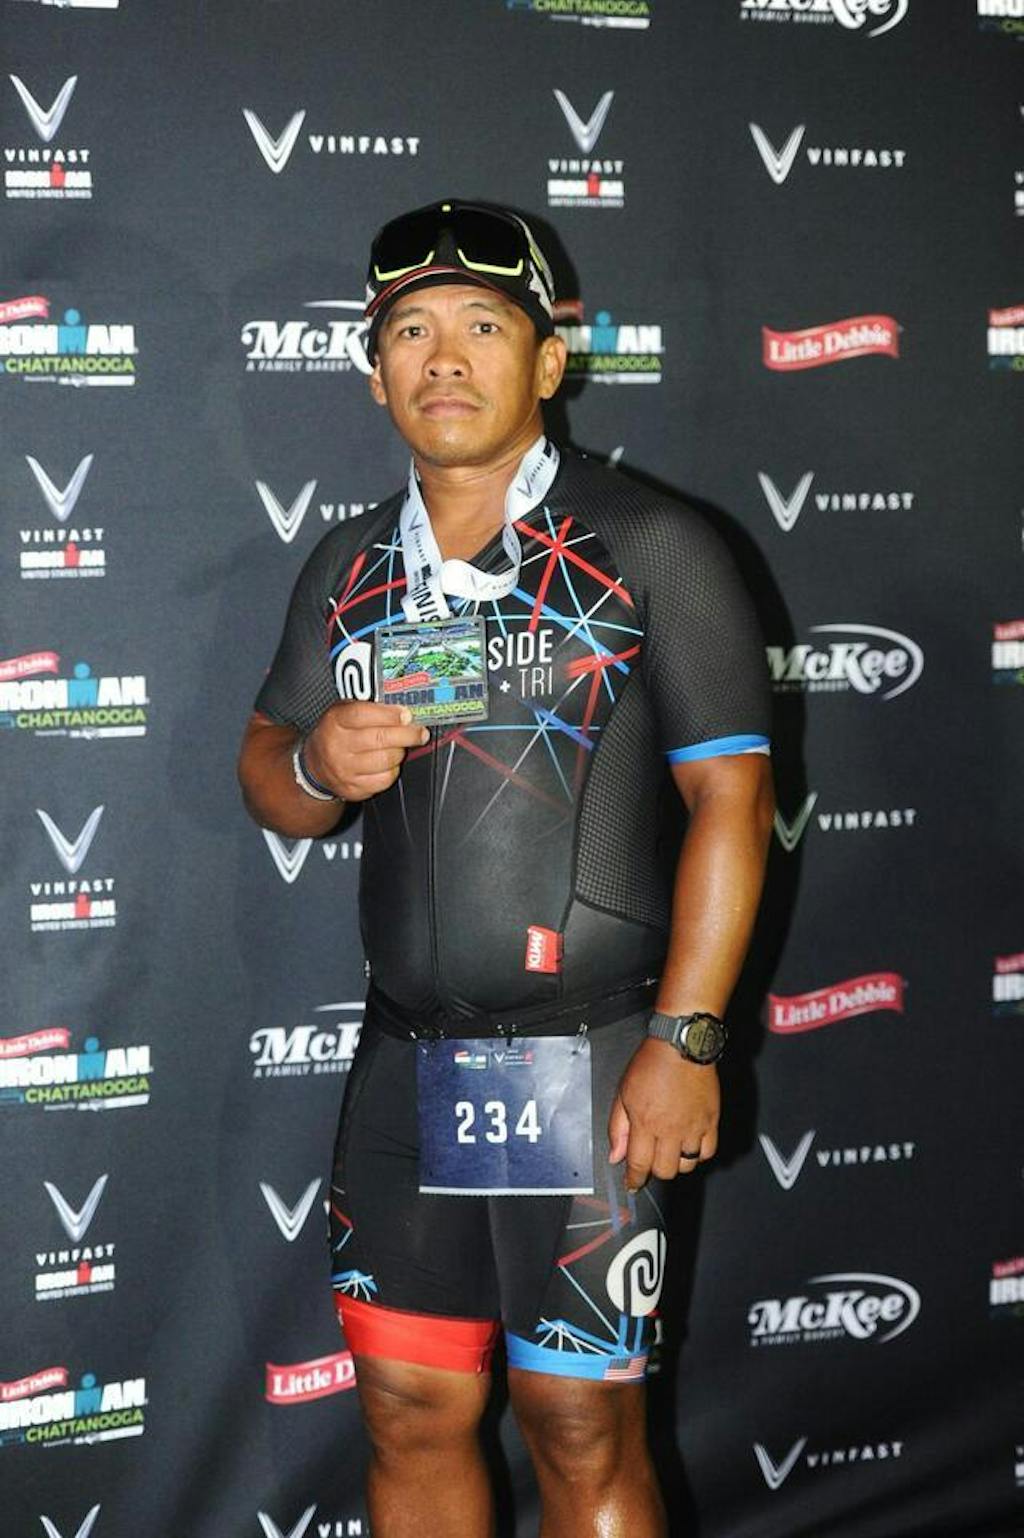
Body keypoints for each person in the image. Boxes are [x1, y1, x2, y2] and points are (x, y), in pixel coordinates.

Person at [237, 199, 774, 1538]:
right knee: (408, 1410)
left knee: (581, 1428)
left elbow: (733, 799)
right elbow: (267, 768)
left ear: (549, 361)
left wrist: (688, 1038)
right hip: (405, 1064)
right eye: (410, 331)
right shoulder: (348, 564)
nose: (444, 358)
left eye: (483, 326)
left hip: (588, 1059)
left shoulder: (651, 544)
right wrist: (318, 765)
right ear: (376, 374)